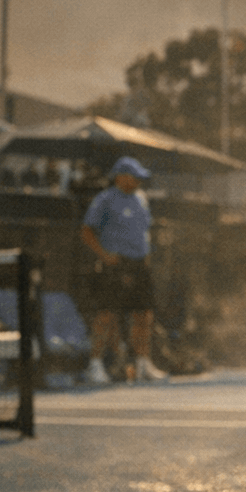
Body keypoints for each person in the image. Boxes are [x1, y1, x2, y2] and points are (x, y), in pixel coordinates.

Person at [81, 156, 167, 382]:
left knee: (144, 315)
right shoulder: (105, 199)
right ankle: (95, 365)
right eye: (134, 176)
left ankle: (142, 364)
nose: (138, 181)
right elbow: (87, 232)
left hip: (139, 264)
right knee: (106, 314)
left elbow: (144, 232)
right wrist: (105, 256)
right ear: (121, 177)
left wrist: (146, 258)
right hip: (115, 264)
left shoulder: (141, 199)